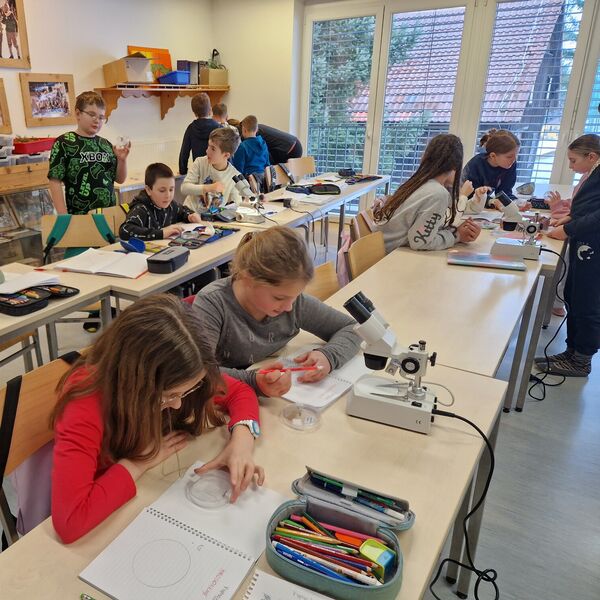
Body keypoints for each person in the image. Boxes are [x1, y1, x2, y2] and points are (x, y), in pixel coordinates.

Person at [51, 294, 264, 544]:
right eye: (169, 396)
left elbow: (239, 392)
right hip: (103, 507)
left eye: (186, 391)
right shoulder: (86, 403)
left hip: (147, 490)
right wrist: (137, 464)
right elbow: (70, 522)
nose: (178, 404)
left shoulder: (184, 367)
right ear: (134, 380)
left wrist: (241, 441)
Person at [193, 226, 362, 398]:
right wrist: (253, 381)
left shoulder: (294, 303)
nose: (289, 307)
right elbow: (198, 372)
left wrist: (328, 356)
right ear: (247, 278)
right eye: (279, 298)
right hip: (220, 400)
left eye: (295, 296)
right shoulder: (213, 304)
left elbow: (353, 328)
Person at [539, 134, 600, 377]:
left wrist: (567, 229)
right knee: (573, 296)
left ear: (591, 156)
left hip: (593, 247)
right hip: (584, 243)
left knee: (587, 302)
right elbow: (589, 206)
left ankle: (581, 360)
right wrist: (569, 218)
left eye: (574, 160)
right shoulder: (593, 174)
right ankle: (572, 351)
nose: (571, 166)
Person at [373, 134, 482, 253]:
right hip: (387, 257)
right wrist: (457, 235)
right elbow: (420, 241)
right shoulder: (437, 193)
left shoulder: (420, 182)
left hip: (382, 250)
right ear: (455, 166)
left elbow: (422, 230)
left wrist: (456, 232)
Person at [48, 90, 130, 217]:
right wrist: (63, 216)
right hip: (80, 217)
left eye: (101, 117)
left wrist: (122, 160)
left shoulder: (106, 145)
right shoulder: (64, 143)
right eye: (92, 115)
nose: (97, 120)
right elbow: (54, 181)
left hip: (108, 215)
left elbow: (120, 179)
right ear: (78, 114)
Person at [119, 163, 202, 241]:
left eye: (171, 189)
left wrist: (190, 216)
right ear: (148, 190)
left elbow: (182, 211)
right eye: (162, 190)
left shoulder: (170, 205)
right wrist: (161, 233)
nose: (168, 195)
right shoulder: (141, 209)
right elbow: (125, 230)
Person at [181, 127, 243, 212]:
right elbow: (184, 188)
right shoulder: (200, 162)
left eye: (213, 149)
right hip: (189, 213)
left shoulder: (234, 176)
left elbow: (237, 204)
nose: (207, 151)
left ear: (226, 155)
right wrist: (209, 188)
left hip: (212, 218)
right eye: (208, 146)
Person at [462, 129, 520, 201]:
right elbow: (471, 196)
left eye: (516, 155)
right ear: (493, 156)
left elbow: (504, 193)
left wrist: (517, 202)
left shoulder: (509, 164)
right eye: (509, 156)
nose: (514, 159)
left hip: (483, 202)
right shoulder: (476, 165)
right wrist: (491, 202)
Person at [178, 93, 221, 176]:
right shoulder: (218, 127)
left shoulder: (191, 128)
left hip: (199, 172)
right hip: (217, 173)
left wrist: (183, 172)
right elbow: (226, 149)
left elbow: (184, 153)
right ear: (210, 110)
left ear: (194, 113)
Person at [232, 115, 270, 179]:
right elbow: (267, 164)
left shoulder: (242, 146)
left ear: (244, 130)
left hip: (250, 179)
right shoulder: (263, 143)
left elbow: (238, 170)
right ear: (257, 129)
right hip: (264, 178)